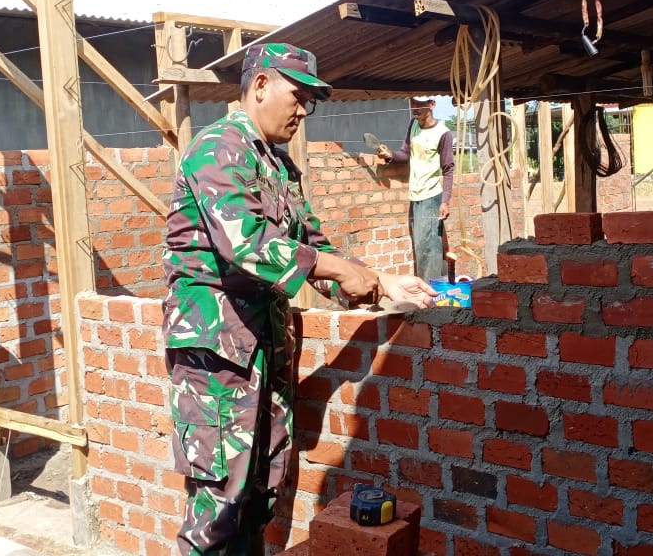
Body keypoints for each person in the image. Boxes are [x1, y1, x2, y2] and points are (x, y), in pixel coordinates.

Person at [161, 42, 437, 556]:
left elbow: (310, 245)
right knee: (218, 508)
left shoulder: (279, 165)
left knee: (261, 490)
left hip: (262, 350)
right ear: (261, 85)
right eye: (298, 94)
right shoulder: (218, 147)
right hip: (217, 357)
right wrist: (344, 270)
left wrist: (380, 283)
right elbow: (248, 244)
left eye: (311, 99)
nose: (304, 109)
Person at [376, 97, 455, 281]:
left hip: (432, 196)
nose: (415, 108)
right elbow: (405, 154)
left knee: (429, 248)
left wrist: (445, 201)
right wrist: (390, 155)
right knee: (421, 247)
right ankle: (434, 290)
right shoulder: (413, 124)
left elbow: (448, 169)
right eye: (413, 103)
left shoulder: (443, 133)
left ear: (432, 105)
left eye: (420, 104)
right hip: (415, 196)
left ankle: (431, 296)